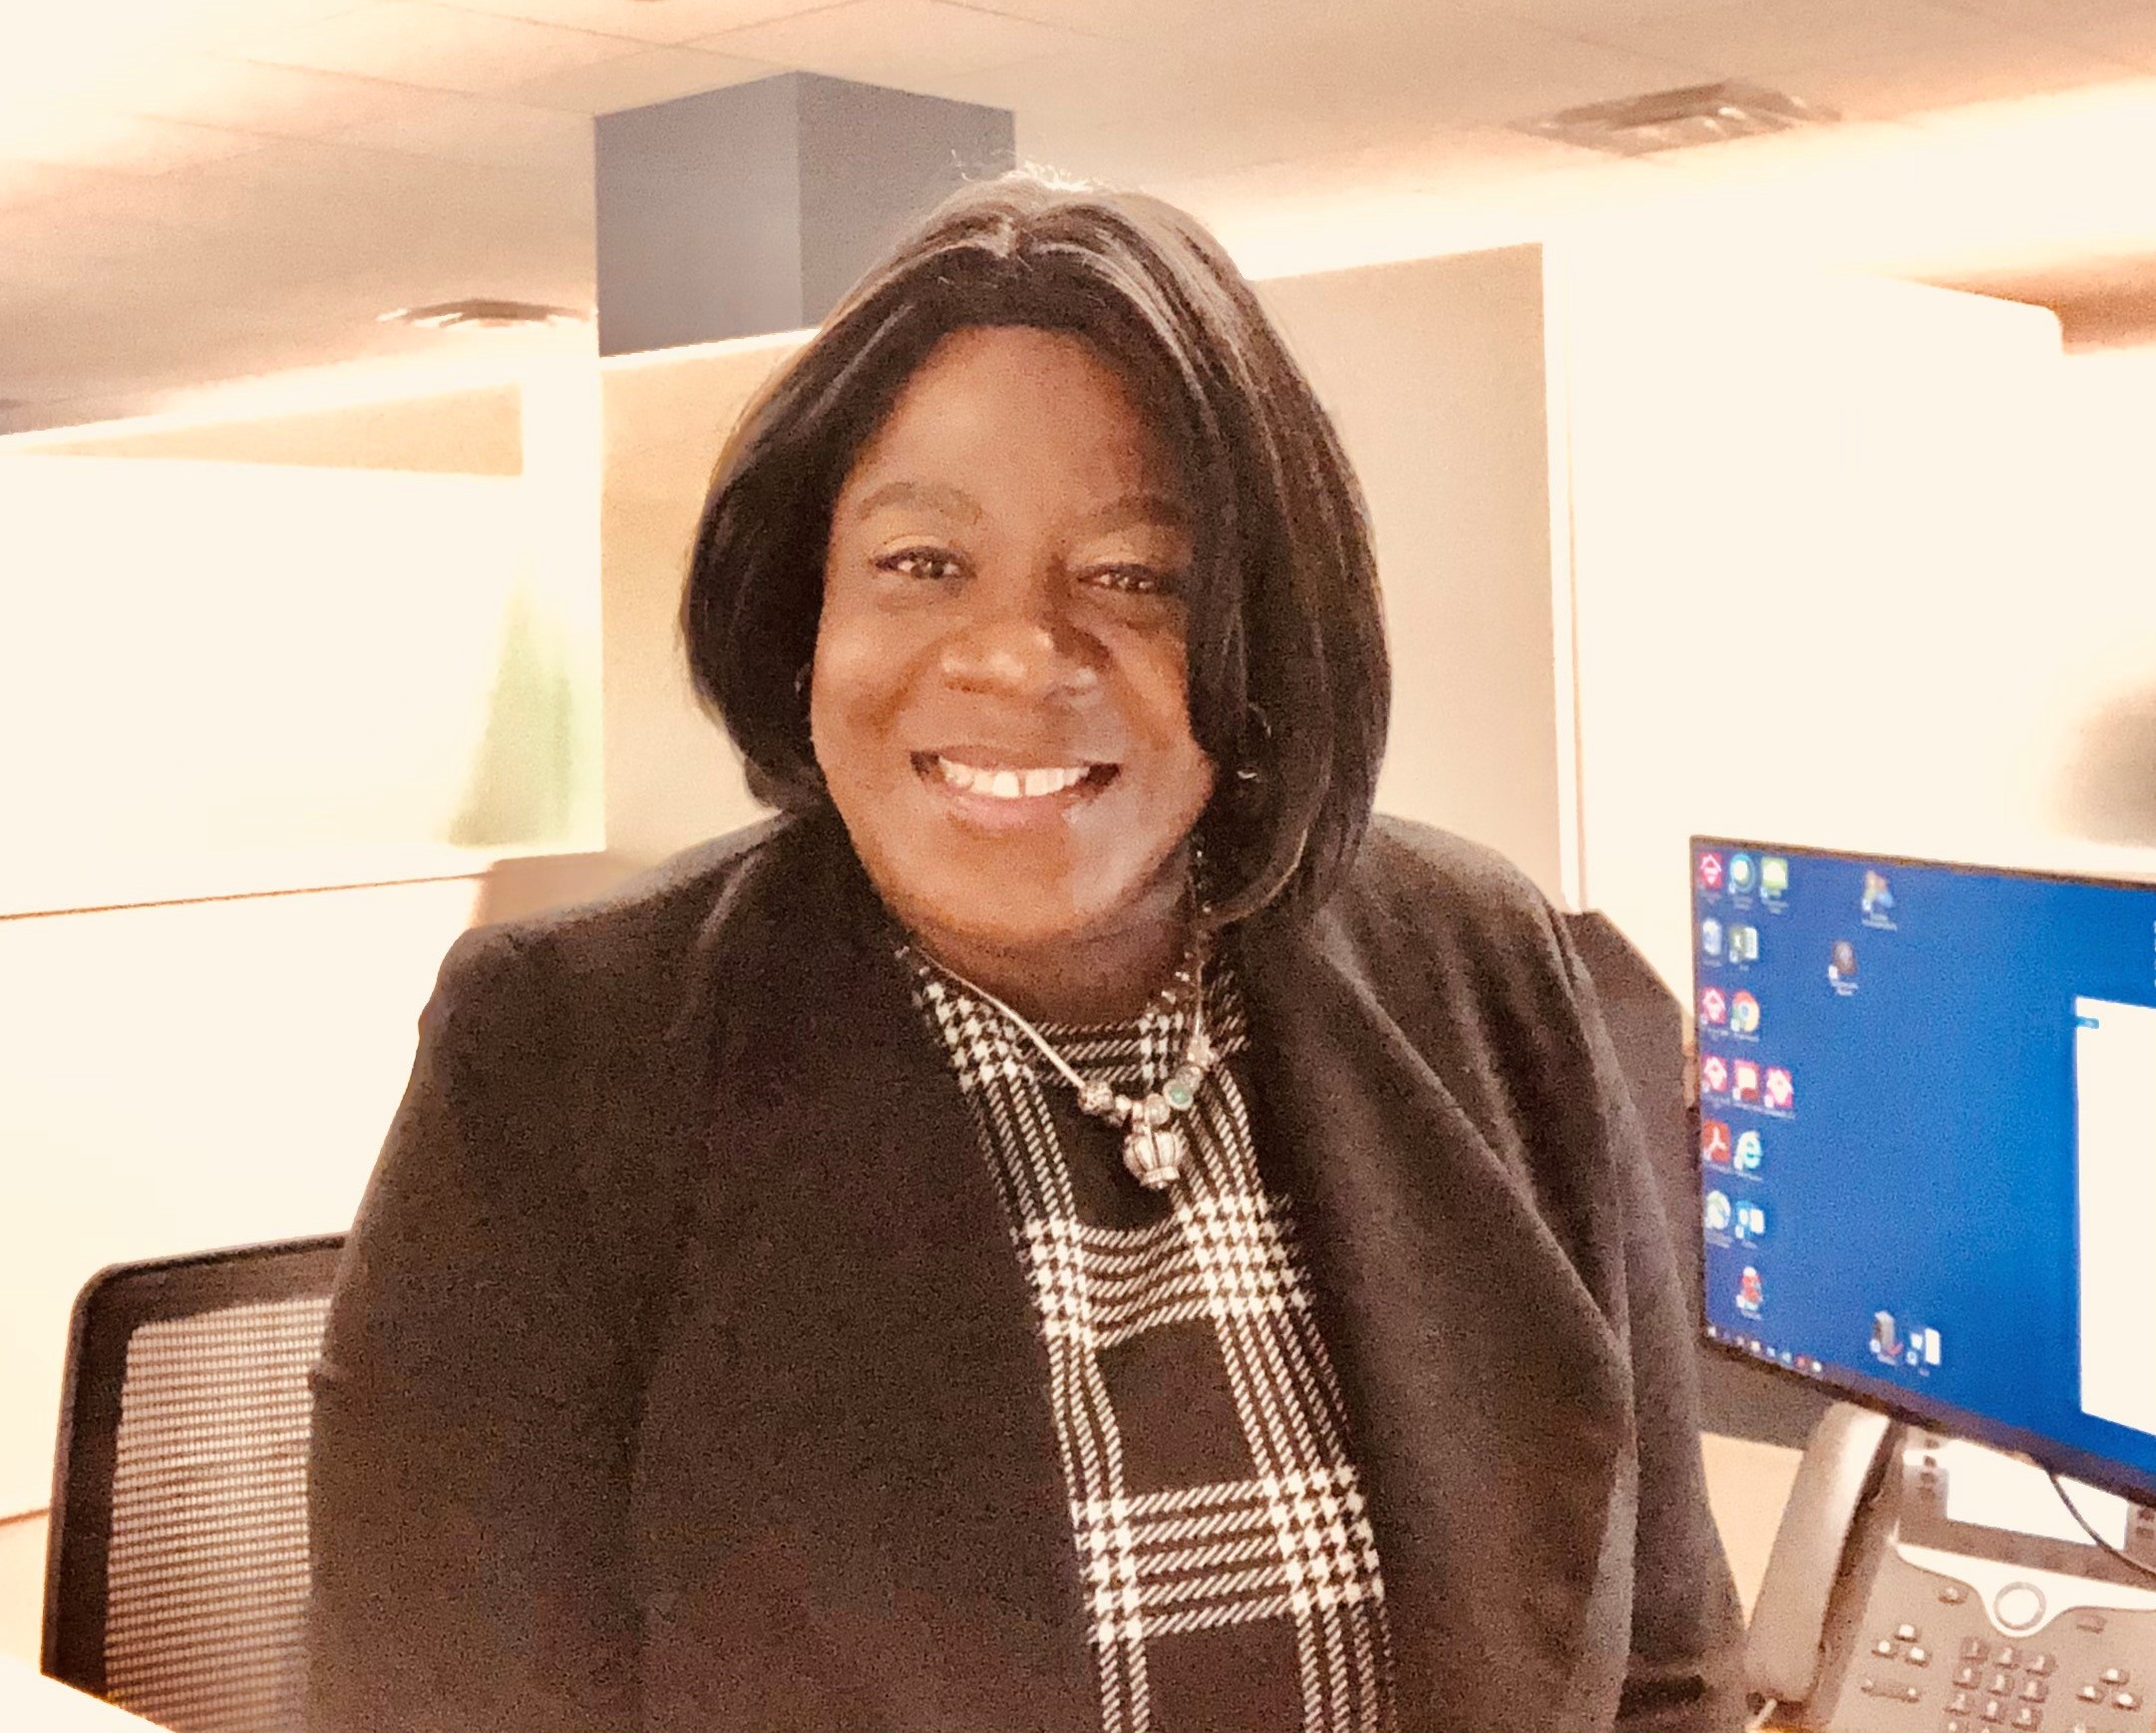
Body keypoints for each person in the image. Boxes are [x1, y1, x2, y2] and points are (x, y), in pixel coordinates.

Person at [306, 173, 1743, 1733]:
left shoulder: (1495, 971)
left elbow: (1666, 1668)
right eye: (921, 562)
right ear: (804, 614)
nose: (1010, 653)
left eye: (1133, 576)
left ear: (1260, 633)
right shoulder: (568, 1057)